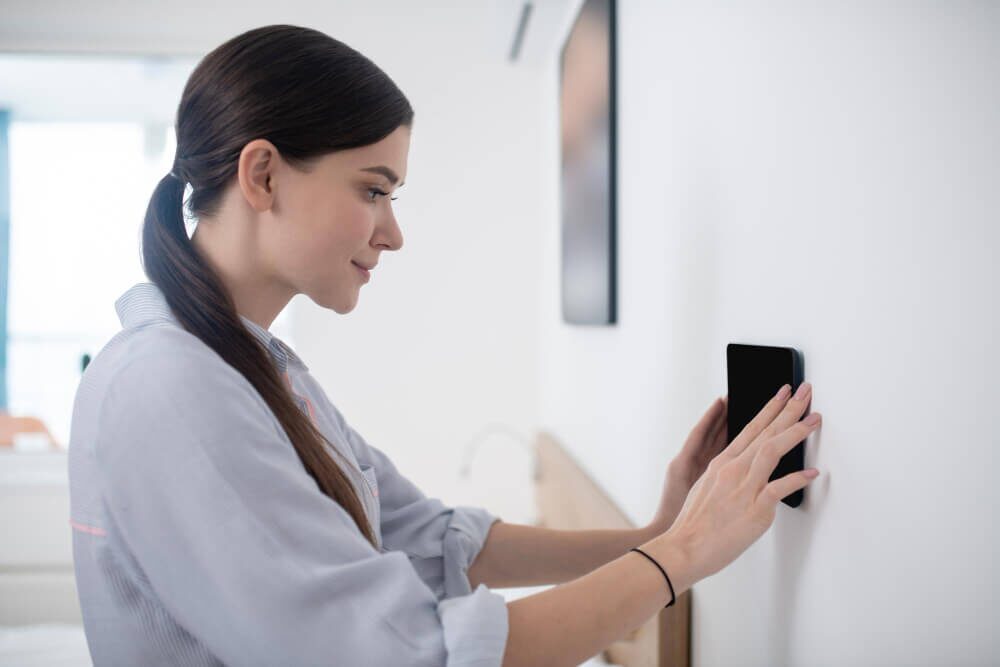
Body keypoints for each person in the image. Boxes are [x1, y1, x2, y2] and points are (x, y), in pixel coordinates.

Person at [67, 24, 823, 667]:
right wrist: (683, 554)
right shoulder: (169, 386)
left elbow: (431, 536)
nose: (392, 232)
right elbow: (415, 653)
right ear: (262, 174)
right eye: (373, 190)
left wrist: (651, 534)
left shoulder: (255, 366)